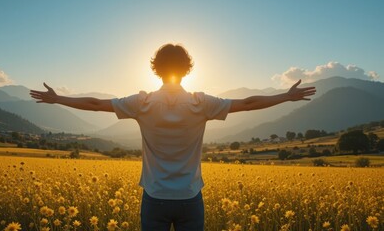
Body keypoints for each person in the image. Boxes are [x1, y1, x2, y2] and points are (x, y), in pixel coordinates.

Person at [30, 43, 316, 231]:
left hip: (154, 197)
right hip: (190, 197)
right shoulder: (200, 103)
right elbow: (248, 103)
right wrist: (286, 96)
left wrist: (59, 99)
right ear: (187, 68)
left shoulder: (141, 103)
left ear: (156, 68)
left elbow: (95, 104)